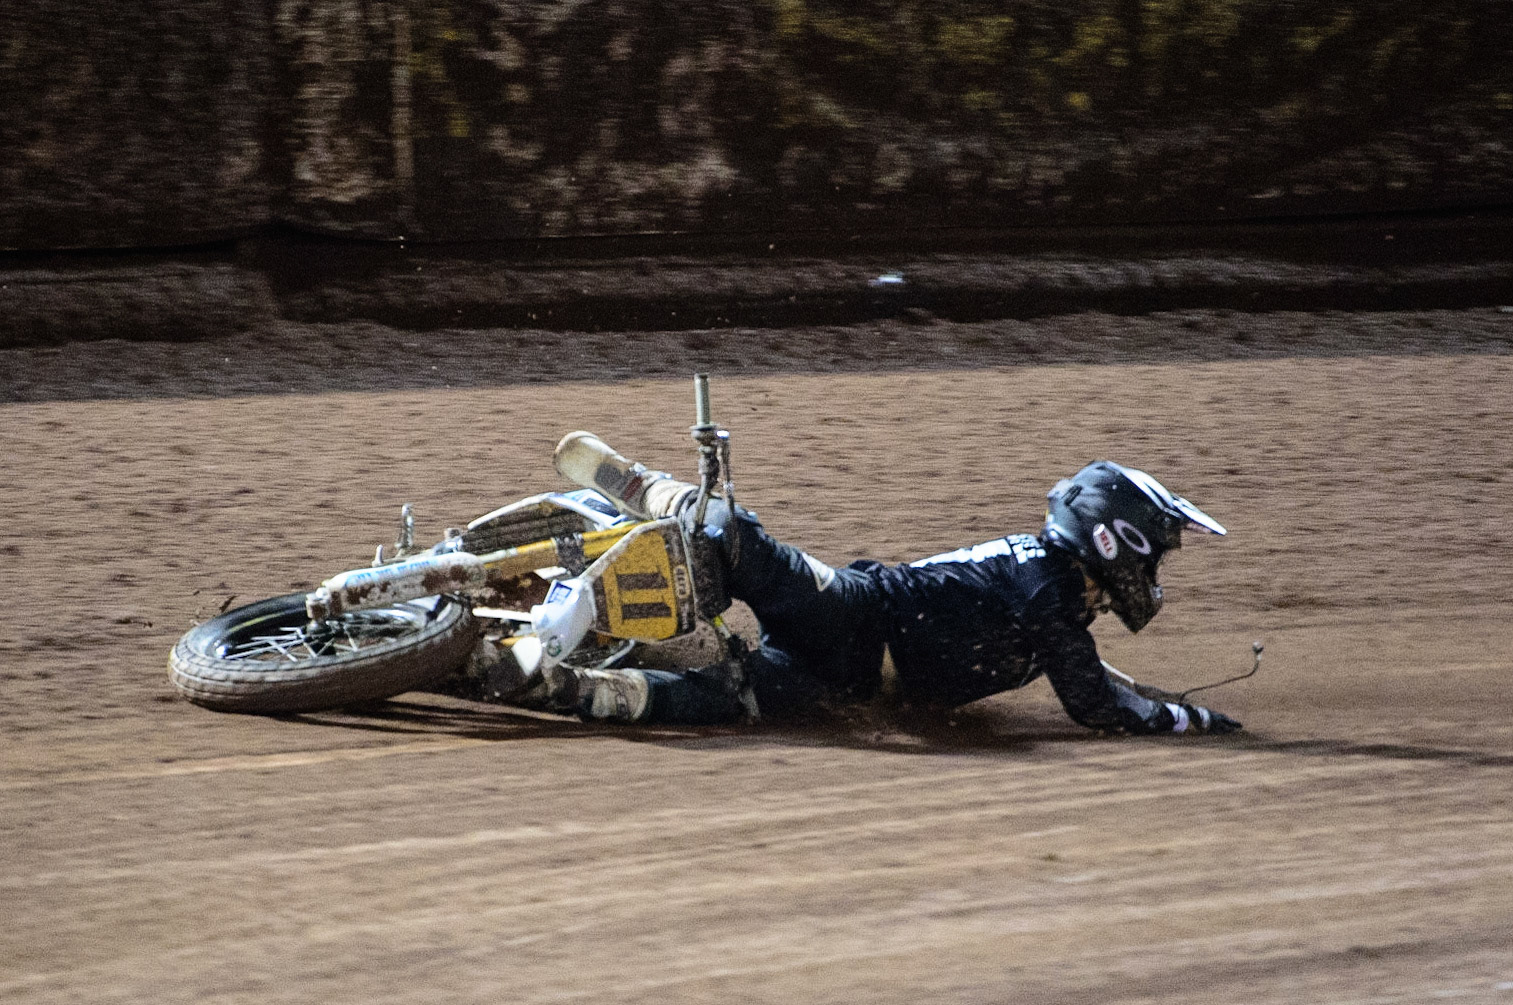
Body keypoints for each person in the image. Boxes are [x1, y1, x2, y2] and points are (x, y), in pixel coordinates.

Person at [498, 432, 1242, 736]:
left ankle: (579, 688)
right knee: (742, 545)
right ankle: (651, 491)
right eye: (1156, 552)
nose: (1154, 570)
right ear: (1117, 537)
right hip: (856, 618)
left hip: (849, 670)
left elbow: (1081, 667)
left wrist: (1150, 696)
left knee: (732, 700)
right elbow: (1093, 703)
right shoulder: (1051, 591)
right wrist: (1190, 721)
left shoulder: (1050, 591)